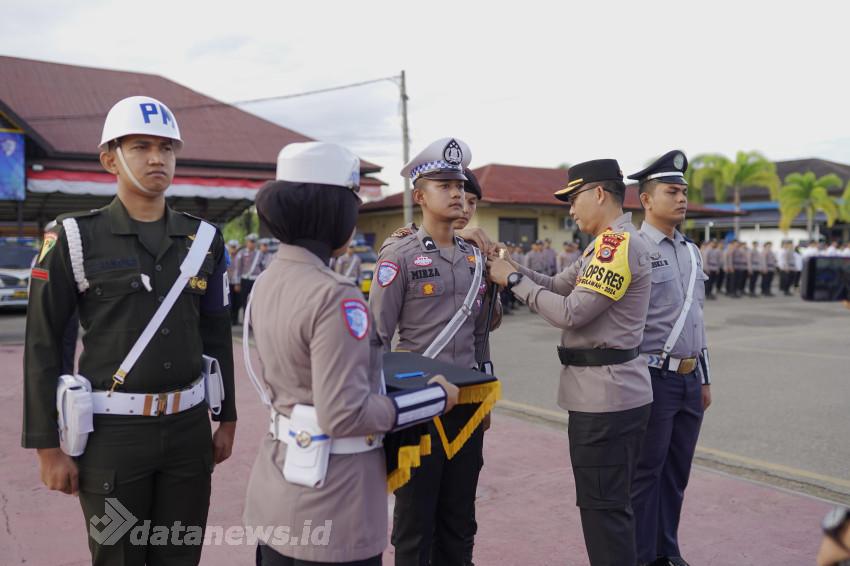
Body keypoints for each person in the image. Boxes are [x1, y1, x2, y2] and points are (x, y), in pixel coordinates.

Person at [23, 95, 236, 565]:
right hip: (112, 438)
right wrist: (45, 448)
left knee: (179, 556)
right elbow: (44, 343)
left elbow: (217, 333)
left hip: (188, 432)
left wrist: (229, 418)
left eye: (167, 147)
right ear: (109, 160)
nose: (157, 158)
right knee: (118, 556)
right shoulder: (73, 237)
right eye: (141, 146)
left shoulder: (203, 239)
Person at [242, 141, 460, 566]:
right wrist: (435, 398)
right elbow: (344, 413)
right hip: (333, 505)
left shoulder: (269, 280)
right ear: (332, 211)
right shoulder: (335, 295)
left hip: (279, 489)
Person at [489, 158, 653, 566]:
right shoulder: (603, 244)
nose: (570, 210)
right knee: (608, 508)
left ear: (599, 194)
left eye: (574, 199)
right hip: (607, 396)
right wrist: (507, 262)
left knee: (604, 514)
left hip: (606, 401)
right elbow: (558, 285)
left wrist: (511, 281)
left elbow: (570, 312)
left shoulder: (617, 245)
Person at [369, 138, 499, 566]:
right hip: (417, 405)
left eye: (460, 185)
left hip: (467, 405)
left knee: (461, 520)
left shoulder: (474, 257)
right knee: (414, 523)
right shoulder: (400, 255)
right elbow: (376, 339)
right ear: (419, 195)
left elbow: (485, 329)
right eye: (445, 185)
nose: (458, 193)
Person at [627, 150, 712, 566]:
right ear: (645, 200)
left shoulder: (692, 252)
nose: (681, 198)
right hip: (652, 378)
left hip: (689, 380)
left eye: (683, 191)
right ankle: (643, 556)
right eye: (671, 191)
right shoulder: (632, 247)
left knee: (676, 475)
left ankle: (667, 552)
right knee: (645, 476)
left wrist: (705, 378)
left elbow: (695, 317)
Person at [234, 232, 262, 313]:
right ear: (247, 242)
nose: (252, 243)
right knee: (244, 299)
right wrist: (237, 283)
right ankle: (245, 317)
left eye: (253, 242)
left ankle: (254, 317)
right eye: (250, 241)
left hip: (256, 280)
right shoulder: (241, 253)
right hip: (245, 279)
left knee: (256, 299)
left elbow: (263, 268)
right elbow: (238, 269)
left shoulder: (259, 254)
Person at [226, 239, 242, 324]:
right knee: (229, 301)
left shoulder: (240, 256)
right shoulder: (225, 256)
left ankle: (235, 319)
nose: (233, 249)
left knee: (238, 302)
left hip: (237, 283)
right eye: (232, 247)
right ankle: (230, 319)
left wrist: (238, 283)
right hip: (227, 282)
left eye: (234, 247)